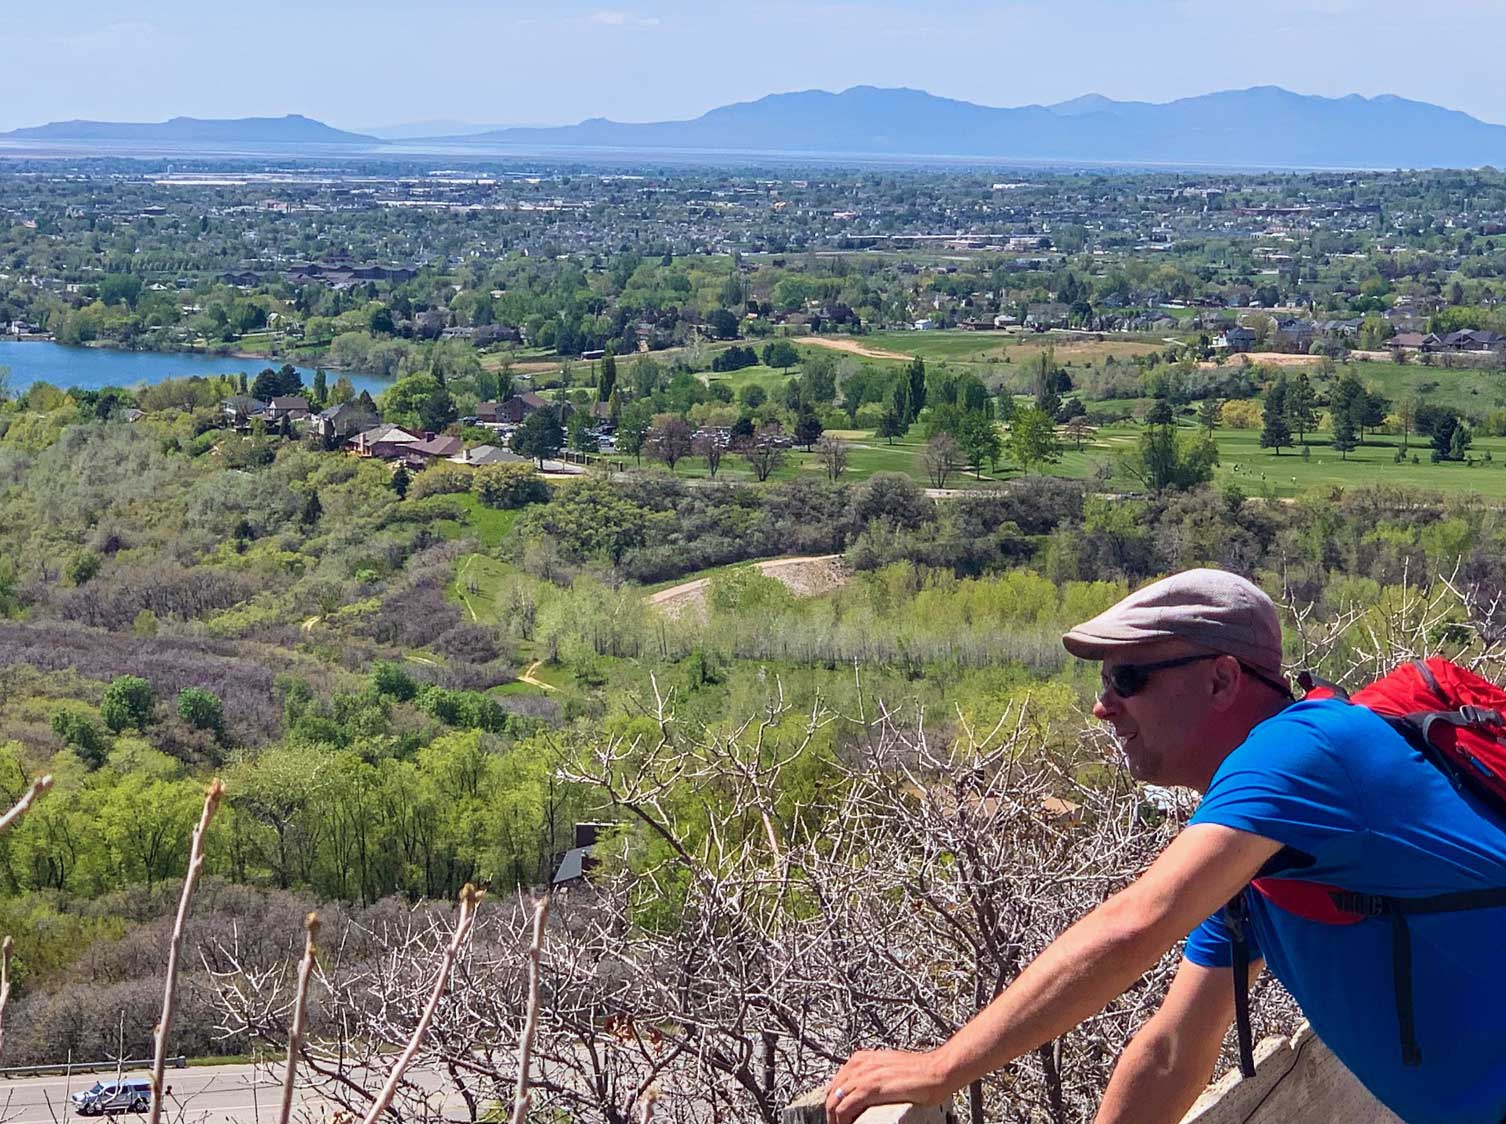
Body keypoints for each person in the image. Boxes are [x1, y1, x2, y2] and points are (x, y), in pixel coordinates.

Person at [825, 568, 1506, 1124]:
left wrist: (946, 1066)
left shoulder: (1304, 752)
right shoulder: (1259, 850)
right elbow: (1174, 1049)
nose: (1103, 705)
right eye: (1102, 683)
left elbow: (1134, 921)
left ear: (1220, 680)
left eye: (1128, 679)